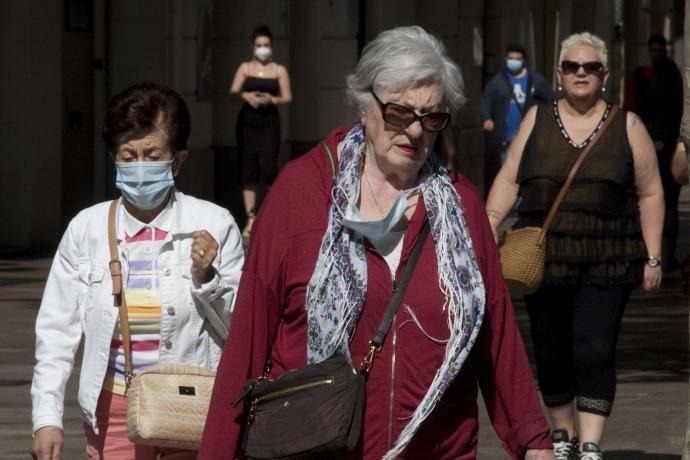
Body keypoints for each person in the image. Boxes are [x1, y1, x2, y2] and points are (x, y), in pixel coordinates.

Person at [199, 26, 554, 460]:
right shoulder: (301, 192)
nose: (415, 131)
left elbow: (496, 339)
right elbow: (249, 337)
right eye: (399, 113)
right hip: (313, 447)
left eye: (432, 117)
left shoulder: (462, 207)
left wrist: (534, 443)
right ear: (365, 107)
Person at [30, 82, 245, 459]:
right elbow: (56, 331)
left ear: (177, 160)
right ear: (114, 157)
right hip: (114, 413)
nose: (139, 167)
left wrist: (206, 277)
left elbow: (241, 328)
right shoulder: (88, 229)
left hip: (193, 407)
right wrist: (46, 417)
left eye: (152, 154)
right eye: (128, 156)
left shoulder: (214, 224)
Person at [486, 32, 664, 460]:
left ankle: (590, 443)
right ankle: (562, 434)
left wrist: (654, 256)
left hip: (609, 257)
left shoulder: (629, 125)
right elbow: (510, 178)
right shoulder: (536, 119)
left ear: (604, 75)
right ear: (559, 74)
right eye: (571, 66)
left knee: (594, 347)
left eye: (589, 67)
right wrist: (489, 227)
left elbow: (651, 192)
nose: (580, 73)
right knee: (550, 348)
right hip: (544, 258)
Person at [624, 34, 683, 268]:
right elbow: (630, 109)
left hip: (668, 147)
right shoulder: (640, 76)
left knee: (669, 203)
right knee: (645, 200)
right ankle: (649, 253)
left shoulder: (674, 77)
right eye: (654, 50)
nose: (658, 54)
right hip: (645, 145)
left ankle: (667, 255)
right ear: (649, 51)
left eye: (661, 50)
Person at [229, 24, 292, 243]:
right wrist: (247, 96)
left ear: (271, 46)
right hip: (248, 122)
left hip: (269, 122)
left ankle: (270, 214)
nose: (262, 48)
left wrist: (270, 99)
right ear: (252, 46)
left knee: (268, 166)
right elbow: (233, 91)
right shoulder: (245, 68)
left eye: (266, 45)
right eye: (258, 45)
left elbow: (287, 97)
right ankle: (250, 217)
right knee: (248, 167)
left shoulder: (278, 70)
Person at [481, 43, 554, 194]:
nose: (514, 61)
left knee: (527, 170)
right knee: (507, 171)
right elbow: (486, 100)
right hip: (505, 137)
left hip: (529, 136)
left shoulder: (536, 80)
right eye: (511, 58)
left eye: (517, 59)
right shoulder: (498, 81)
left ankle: (524, 198)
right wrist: (487, 118)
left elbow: (551, 100)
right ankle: (511, 200)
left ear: (524, 60)